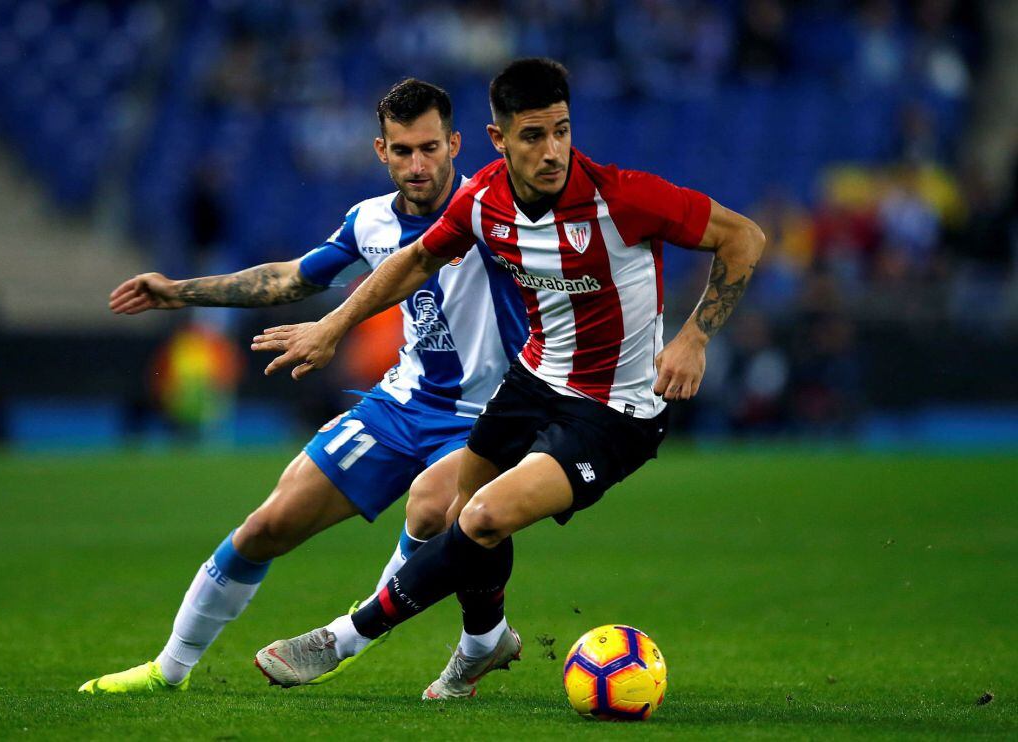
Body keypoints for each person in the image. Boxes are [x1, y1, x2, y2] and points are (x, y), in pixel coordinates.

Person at [250, 58, 766, 700]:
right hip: (533, 383)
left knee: (486, 516)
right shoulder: (484, 198)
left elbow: (743, 237)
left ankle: (345, 637)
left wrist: (694, 337)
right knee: (443, 506)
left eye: (562, 130)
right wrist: (333, 325)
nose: (552, 151)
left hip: (616, 411)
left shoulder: (623, 198)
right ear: (499, 140)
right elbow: (414, 262)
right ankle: (484, 644)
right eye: (532, 135)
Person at [78, 78, 526, 694]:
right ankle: (167, 671)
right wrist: (181, 292)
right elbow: (290, 278)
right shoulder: (368, 221)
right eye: (402, 151)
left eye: (429, 148)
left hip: (493, 413)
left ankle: (351, 637)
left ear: (455, 144)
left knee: (430, 503)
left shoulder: (495, 206)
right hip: (403, 404)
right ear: (380, 151)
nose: (417, 165)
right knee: (267, 526)